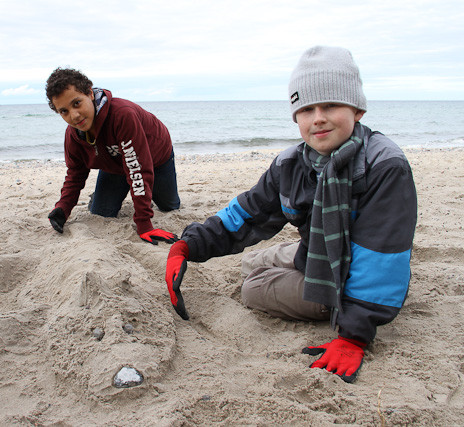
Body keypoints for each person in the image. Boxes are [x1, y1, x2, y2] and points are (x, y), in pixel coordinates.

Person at [164, 46, 417, 383]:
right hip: (317, 251)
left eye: (330, 105)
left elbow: (382, 253)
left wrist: (353, 335)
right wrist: (188, 245)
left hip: (351, 278)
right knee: (250, 261)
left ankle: (336, 302)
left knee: (252, 288)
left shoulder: (385, 165)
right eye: (306, 109)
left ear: (357, 110)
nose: (318, 118)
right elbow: (249, 212)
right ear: (296, 117)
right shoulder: (292, 163)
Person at [45, 68, 180, 245]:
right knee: (100, 212)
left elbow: (138, 170)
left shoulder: (123, 115)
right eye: (64, 111)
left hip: (156, 160)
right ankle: (107, 193)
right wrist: (63, 207)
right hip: (115, 167)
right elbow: (75, 174)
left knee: (169, 206)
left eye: (77, 103)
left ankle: (151, 195)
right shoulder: (73, 135)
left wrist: (144, 225)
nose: (74, 115)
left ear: (90, 93)